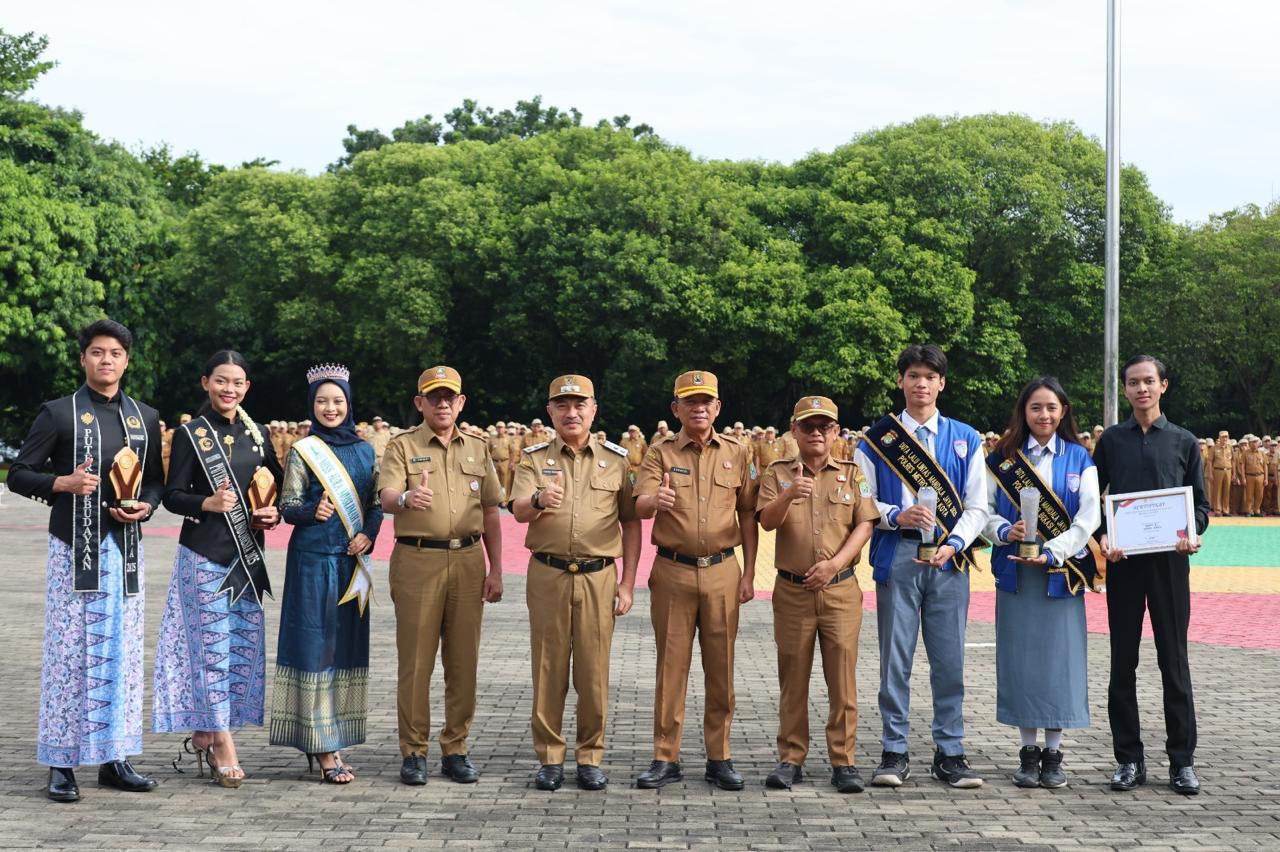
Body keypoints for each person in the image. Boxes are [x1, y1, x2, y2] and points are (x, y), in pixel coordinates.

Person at [8, 319, 165, 802]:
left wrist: (147, 505)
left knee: (122, 654)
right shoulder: (58, 414)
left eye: (115, 353)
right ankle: (61, 762)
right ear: (83, 359)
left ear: (126, 360)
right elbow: (19, 474)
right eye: (97, 352)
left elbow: (155, 480)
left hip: (126, 552)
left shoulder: (145, 417)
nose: (106, 360)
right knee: (70, 655)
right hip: (73, 552)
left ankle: (115, 757)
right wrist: (62, 484)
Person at [854, 344, 988, 789]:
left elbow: (978, 506)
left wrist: (955, 542)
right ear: (900, 381)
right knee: (896, 662)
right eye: (912, 375)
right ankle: (894, 750)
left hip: (950, 562)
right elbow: (863, 500)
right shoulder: (876, 440)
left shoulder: (967, 438)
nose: (921, 384)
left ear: (942, 383)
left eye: (929, 376)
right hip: (898, 556)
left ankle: (950, 752)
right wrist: (896, 515)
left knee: (949, 661)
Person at [153, 350, 283, 788]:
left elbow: (274, 489)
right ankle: (223, 741)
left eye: (238, 382)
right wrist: (206, 503)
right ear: (205, 382)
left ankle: (207, 730)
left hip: (247, 560)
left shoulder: (259, 434)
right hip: (205, 556)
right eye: (221, 381)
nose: (230, 389)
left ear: (247, 387)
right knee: (210, 653)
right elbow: (172, 495)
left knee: (238, 650)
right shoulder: (191, 434)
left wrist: (273, 513)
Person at [510, 375, 641, 791]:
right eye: (562, 405)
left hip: (598, 576)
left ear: (593, 409)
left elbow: (631, 522)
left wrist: (628, 584)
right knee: (548, 668)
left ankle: (590, 756)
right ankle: (550, 757)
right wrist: (538, 501)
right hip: (548, 573)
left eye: (579, 404)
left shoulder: (617, 460)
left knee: (593, 671)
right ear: (550, 411)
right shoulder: (532, 458)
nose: (571, 412)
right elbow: (517, 510)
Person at [377, 366, 504, 786]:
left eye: (450, 396)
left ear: (462, 402)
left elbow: (490, 510)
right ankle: (414, 750)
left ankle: (456, 748)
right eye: (434, 397)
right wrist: (408, 497)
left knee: (463, 660)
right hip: (418, 560)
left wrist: (496, 568)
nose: (443, 403)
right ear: (420, 403)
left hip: (468, 560)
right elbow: (388, 496)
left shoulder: (478, 448)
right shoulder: (402, 446)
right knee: (416, 661)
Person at [633, 370, 759, 791]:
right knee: (671, 668)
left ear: (718, 407)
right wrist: (656, 499)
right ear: (676, 409)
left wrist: (751, 571)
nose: (699, 407)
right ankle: (665, 756)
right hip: (672, 569)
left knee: (720, 668)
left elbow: (747, 512)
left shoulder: (738, 452)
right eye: (690, 401)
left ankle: (719, 757)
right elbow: (640, 502)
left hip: (723, 568)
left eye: (706, 401)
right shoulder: (659, 453)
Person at [1095, 355, 1210, 795]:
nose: (1141, 389)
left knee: (1174, 662)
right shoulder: (1111, 442)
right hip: (1124, 564)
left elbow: (1200, 506)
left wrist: (1191, 532)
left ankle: (1182, 762)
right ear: (1124, 390)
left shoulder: (1183, 441)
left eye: (1148, 381)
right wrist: (1104, 536)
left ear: (1163, 385)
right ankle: (1128, 759)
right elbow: (1095, 503)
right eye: (1132, 382)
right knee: (1122, 662)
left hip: (1169, 563)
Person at [982, 377, 1101, 789]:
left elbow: (1089, 518)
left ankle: (1054, 752)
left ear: (1063, 411)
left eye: (1051, 407)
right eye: (1035, 407)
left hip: (1061, 577)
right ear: (1024, 411)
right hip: (1016, 574)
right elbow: (984, 511)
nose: (1044, 415)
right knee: (1022, 662)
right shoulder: (1003, 458)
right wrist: (1003, 531)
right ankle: (1027, 752)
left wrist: (1056, 551)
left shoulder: (1080, 458)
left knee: (1059, 662)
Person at [756, 396, 878, 793]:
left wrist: (834, 563)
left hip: (840, 588)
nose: (816, 433)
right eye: (807, 426)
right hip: (792, 591)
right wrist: (789, 494)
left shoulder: (852, 472)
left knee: (842, 679)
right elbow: (767, 522)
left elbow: (864, 525)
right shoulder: (776, 473)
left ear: (836, 432)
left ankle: (844, 761)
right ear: (794, 430)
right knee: (793, 679)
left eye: (824, 426)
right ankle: (791, 757)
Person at [269, 365, 383, 783]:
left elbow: (374, 503)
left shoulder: (366, 450)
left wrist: (369, 534)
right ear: (312, 405)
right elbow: (287, 505)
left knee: (344, 649)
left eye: (337, 401)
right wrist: (308, 513)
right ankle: (323, 748)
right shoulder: (304, 450)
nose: (330, 408)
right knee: (315, 648)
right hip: (313, 561)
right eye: (322, 401)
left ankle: (336, 734)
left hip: (351, 563)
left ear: (349, 404)